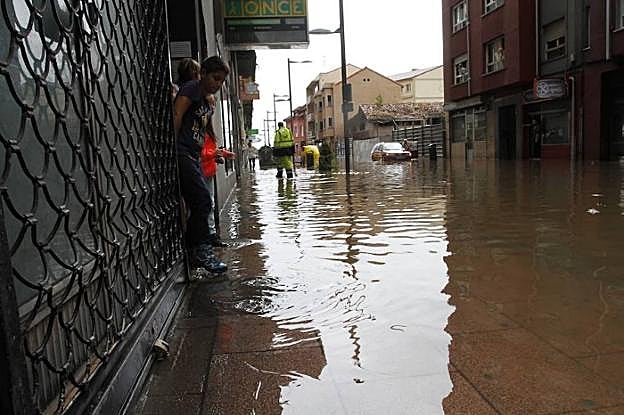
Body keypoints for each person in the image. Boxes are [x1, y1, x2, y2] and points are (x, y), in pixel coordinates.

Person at [173, 56, 229, 277]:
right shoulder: (191, 89)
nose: (218, 84)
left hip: (193, 155)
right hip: (182, 152)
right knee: (203, 201)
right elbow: (177, 114)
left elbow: (203, 129)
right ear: (203, 73)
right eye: (215, 78)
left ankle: (193, 248)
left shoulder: (206, 99)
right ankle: (201, 250)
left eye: (222, 81)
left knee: (199, 203)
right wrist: (172, 148)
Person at [199, 94, 235, 248]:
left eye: (214, 106)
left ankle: (211, 235)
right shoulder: (198, 126)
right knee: (206, 204)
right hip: (200, 171)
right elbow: (199, 151)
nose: (212, 109)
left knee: (210, 204)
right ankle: (207, 237)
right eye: (210, 105)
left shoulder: (207, 126)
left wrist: (224, 153)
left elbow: (210, 149)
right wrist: (213, 154)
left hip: (208, 171)